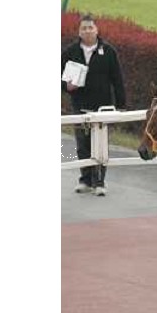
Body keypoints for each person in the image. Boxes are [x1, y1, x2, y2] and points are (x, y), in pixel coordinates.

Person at [61, 14, 126, 196]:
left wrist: (121, 105)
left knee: (100, 145)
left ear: (97, 30)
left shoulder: (109, 51)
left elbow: (117, 79)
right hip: (80, 104)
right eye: (84, 28)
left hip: (102, 107)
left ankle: (99, 182)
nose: (88, 31)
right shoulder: (70, 52)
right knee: (82, 143)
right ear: (79, 31)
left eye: (91, 27)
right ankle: (85, 179)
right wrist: (66, 86)